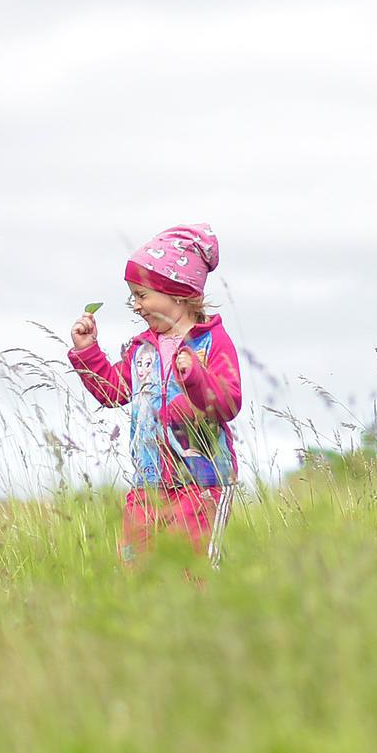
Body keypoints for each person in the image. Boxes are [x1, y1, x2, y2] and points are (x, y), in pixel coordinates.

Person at [70, 227, 246, 555]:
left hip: (201, 484)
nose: (135, 305)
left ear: (177, 292)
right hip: (148, 486)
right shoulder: (142, 349)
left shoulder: (211, 343)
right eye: (133, 296)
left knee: (191, 572)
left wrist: (195, 377)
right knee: (137, 574)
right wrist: (87, 352)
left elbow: (228, 403)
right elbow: (114, 392)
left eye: (141, 294)